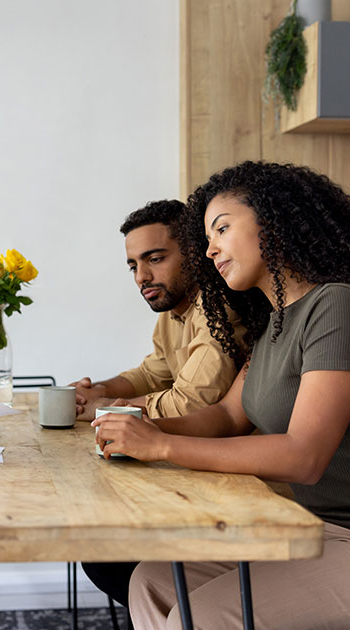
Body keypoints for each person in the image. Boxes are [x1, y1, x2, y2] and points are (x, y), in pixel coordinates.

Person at [93, 161, 350, 630]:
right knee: (151, 581)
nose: (211, 249)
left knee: (203, 623)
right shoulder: (274, 325)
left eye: (222, 228)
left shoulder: (339, 306)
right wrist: (139, 430)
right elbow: (224, 416)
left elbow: (304, 456)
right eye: (206, 237)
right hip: (319, 531)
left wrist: (161, 447)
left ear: (275, 222)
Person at [73, 200, 244, 609]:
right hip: (197, 472)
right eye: (133, 265)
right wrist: (94, 391)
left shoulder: (219, 306)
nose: (142, 277)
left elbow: (191, 400)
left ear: (195, 251)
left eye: (155, 259)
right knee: (104, 556)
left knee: (110, 559)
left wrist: (119, 407)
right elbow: (152, 373)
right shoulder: (175, 312)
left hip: (233, 484)